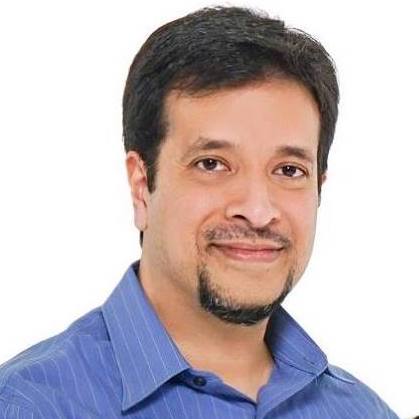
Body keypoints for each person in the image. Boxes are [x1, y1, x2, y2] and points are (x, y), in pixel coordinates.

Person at [0, 6, 400, 419]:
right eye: (212, 164)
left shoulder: (363, 411)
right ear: (141, 186)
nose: (257, 211)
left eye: (288, 170)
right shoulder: (28, 406)